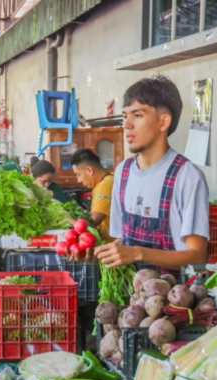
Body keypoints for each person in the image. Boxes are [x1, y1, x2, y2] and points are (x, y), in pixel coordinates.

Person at [95, 75, 209, 272]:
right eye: (125, 116)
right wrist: (100, 251)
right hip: (129, 295)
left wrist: (139, 253)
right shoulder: (123, 172)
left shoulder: (187, 176)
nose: (127, 124)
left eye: (137, 115)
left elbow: (197, 253)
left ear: (163, 122)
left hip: (171, 295)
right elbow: (120, 238)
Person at [71, 148, 114, 238]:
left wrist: (68, 220)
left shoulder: (105, 184)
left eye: (78, 174)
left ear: (89, 170)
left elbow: (93, 221)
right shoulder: (106, 180)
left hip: (111, 245)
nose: (79, 180)